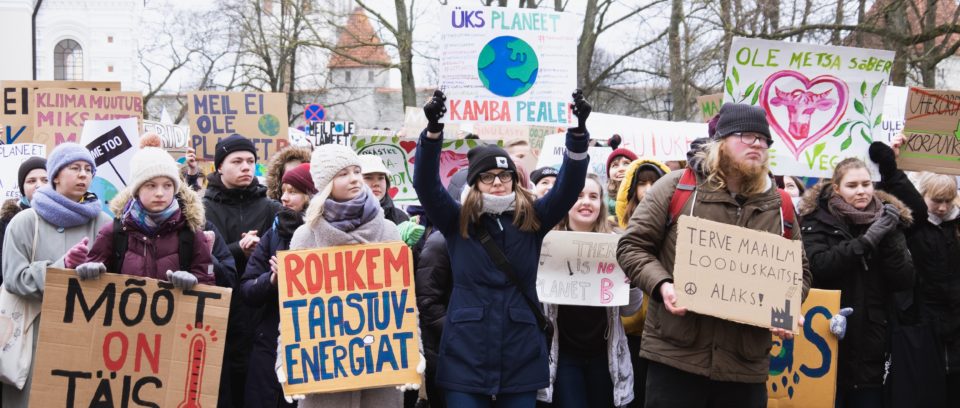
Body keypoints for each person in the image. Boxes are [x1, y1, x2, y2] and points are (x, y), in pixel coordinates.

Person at [616, 103, 811, 407]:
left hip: (743, 368)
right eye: (747, 136)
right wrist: (662, 285)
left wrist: (785, 307)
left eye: (764, 139)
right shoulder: (676, 187)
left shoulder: (780, 204)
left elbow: (799, 273)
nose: (758, 143)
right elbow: (631, 247)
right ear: (721, 143)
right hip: (676, 358)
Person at [413, 89, 591, 408]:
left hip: (520, 354)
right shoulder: (457, 221)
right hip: (466, 356)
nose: (498, 182)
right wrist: (432, 131)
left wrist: (577, 134)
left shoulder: (532, 220)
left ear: (514, 179)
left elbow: (568, 188)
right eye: (488, 176)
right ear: (475, 183)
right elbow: (426, 184)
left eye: (505, 175)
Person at [278, 144, 413, 407]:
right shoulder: (306, 235)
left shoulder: (388, 231)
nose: (354, 178)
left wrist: (412, 350)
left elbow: (403, 301)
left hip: (379, 368)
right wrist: (285, 358)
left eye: (356, 171)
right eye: (343, 174)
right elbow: (294, 309)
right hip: (326, 373)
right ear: (326, 183)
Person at [799, 156, 915, 408]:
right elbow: (819, 265)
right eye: (852, 185)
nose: (861, 191)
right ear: (837, 188)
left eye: (866, 183)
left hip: (872, 341)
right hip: (826, 337)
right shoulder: (816, 220)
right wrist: (866, 241)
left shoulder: (887, 219)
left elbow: (904, 278)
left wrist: (889, 236)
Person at [1, 143, 112, 407]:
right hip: (34, 339)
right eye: (75, 168)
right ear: (56, 176)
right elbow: (14, 279)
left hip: (87, 339)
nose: (83, 175)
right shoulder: (26, 221)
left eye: (88, 169)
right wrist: (61, 267)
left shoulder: (106, 224)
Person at [537, 173, 643, 408]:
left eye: (593, 196)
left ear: (601, 204)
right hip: (564, 353)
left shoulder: (618, 243)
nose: (586, 202)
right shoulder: (548, 242)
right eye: (578, 195)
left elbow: (630, 309)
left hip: (604, 355)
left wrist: (631, 281)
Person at [869, 139, 956, 406]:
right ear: (923, 195)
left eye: (948, 201)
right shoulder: (915, 224)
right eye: (936, 200)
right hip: (919, 320)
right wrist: (891, 167)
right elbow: (905, 205)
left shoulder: (955, 225)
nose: (942, 207)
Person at [203, 134, 283, 407]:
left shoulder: (271, 208)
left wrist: (262, 251)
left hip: (260, 316)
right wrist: (238, 249)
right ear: (219, 167)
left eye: (250, 161)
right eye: (237, 161)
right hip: (219, 317)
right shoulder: (202, 210)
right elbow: (203, 256)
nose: (246, 167)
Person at [78, 146, 215, 287]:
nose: (160, 193)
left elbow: (208, 285)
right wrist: (91, 271)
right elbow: (91, 291)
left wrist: (194, 282)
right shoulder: (113, 232)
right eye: (151, 185)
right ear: (137, 190)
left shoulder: (191, 233)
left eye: (167, 185)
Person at [241, 163, 316, 407]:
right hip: (270, 342)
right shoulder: (273, 234)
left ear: (312, 194)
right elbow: (248, 288)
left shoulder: (329, 234)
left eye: (293, 191)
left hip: (314, 346)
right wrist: (271, 280)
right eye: (283, 190)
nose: (284, 197)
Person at [612, 158, 669, 408]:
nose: (648, 189)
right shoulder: (617, 233)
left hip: (665, 333)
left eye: (654, 182)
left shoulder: (674, 230)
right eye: (642, 183)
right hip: (629, 335)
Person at [1, 157, 47, 281]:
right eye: (31, 181)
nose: (39, 185)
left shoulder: (64, 219)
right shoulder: (6, 220)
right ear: (22, 187)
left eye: (45, 180)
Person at [359, 154, 410, 225]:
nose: (376, 183)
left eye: (381, 178)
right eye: (368, 178)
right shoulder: (343, 218)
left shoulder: (401, 218)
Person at [606, 136, 637, 217]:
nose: (621, 169)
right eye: (615, 165)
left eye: (626, 163)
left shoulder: (645, 197)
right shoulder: (601, 202)